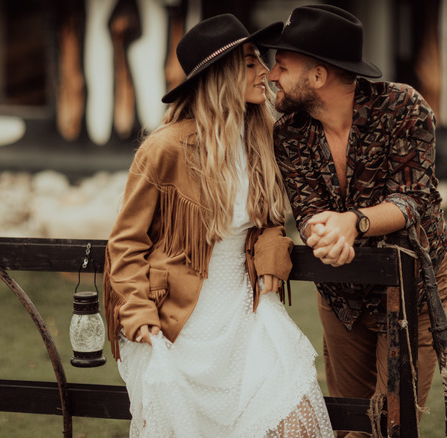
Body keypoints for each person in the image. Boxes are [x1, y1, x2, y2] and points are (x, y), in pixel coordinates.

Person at [102, 14, 333, 438]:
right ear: (219, 75)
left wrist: (270, 253)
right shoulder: (164, 148)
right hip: (176, 325)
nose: (265, 72)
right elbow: (125, 243)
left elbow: (266, 222)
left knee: (296, 421)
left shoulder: (261, 136)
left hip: (247, 313)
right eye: (250, 63)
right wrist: (138, 317)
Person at [261, 5, 447, 437]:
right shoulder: (289, 132)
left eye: (282, 65)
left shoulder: (404, 107)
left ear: (317, 77)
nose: (272, 74)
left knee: (392, 424)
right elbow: (308, 209)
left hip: (412, 290)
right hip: (340, 295)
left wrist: (354, 223)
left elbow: (413, 200)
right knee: (350, 425)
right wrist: (324, 234)